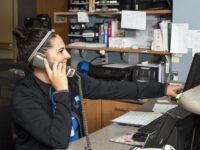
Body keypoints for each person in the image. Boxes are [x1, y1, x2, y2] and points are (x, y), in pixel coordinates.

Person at [12, 28, 183, 150]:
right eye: (61, 51)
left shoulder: (73, 80)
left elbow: (115, 89)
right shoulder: (24, 97)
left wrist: (163, 88)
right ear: (40, 60)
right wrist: (62, 91)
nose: (68, 56)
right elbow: (58, 140)